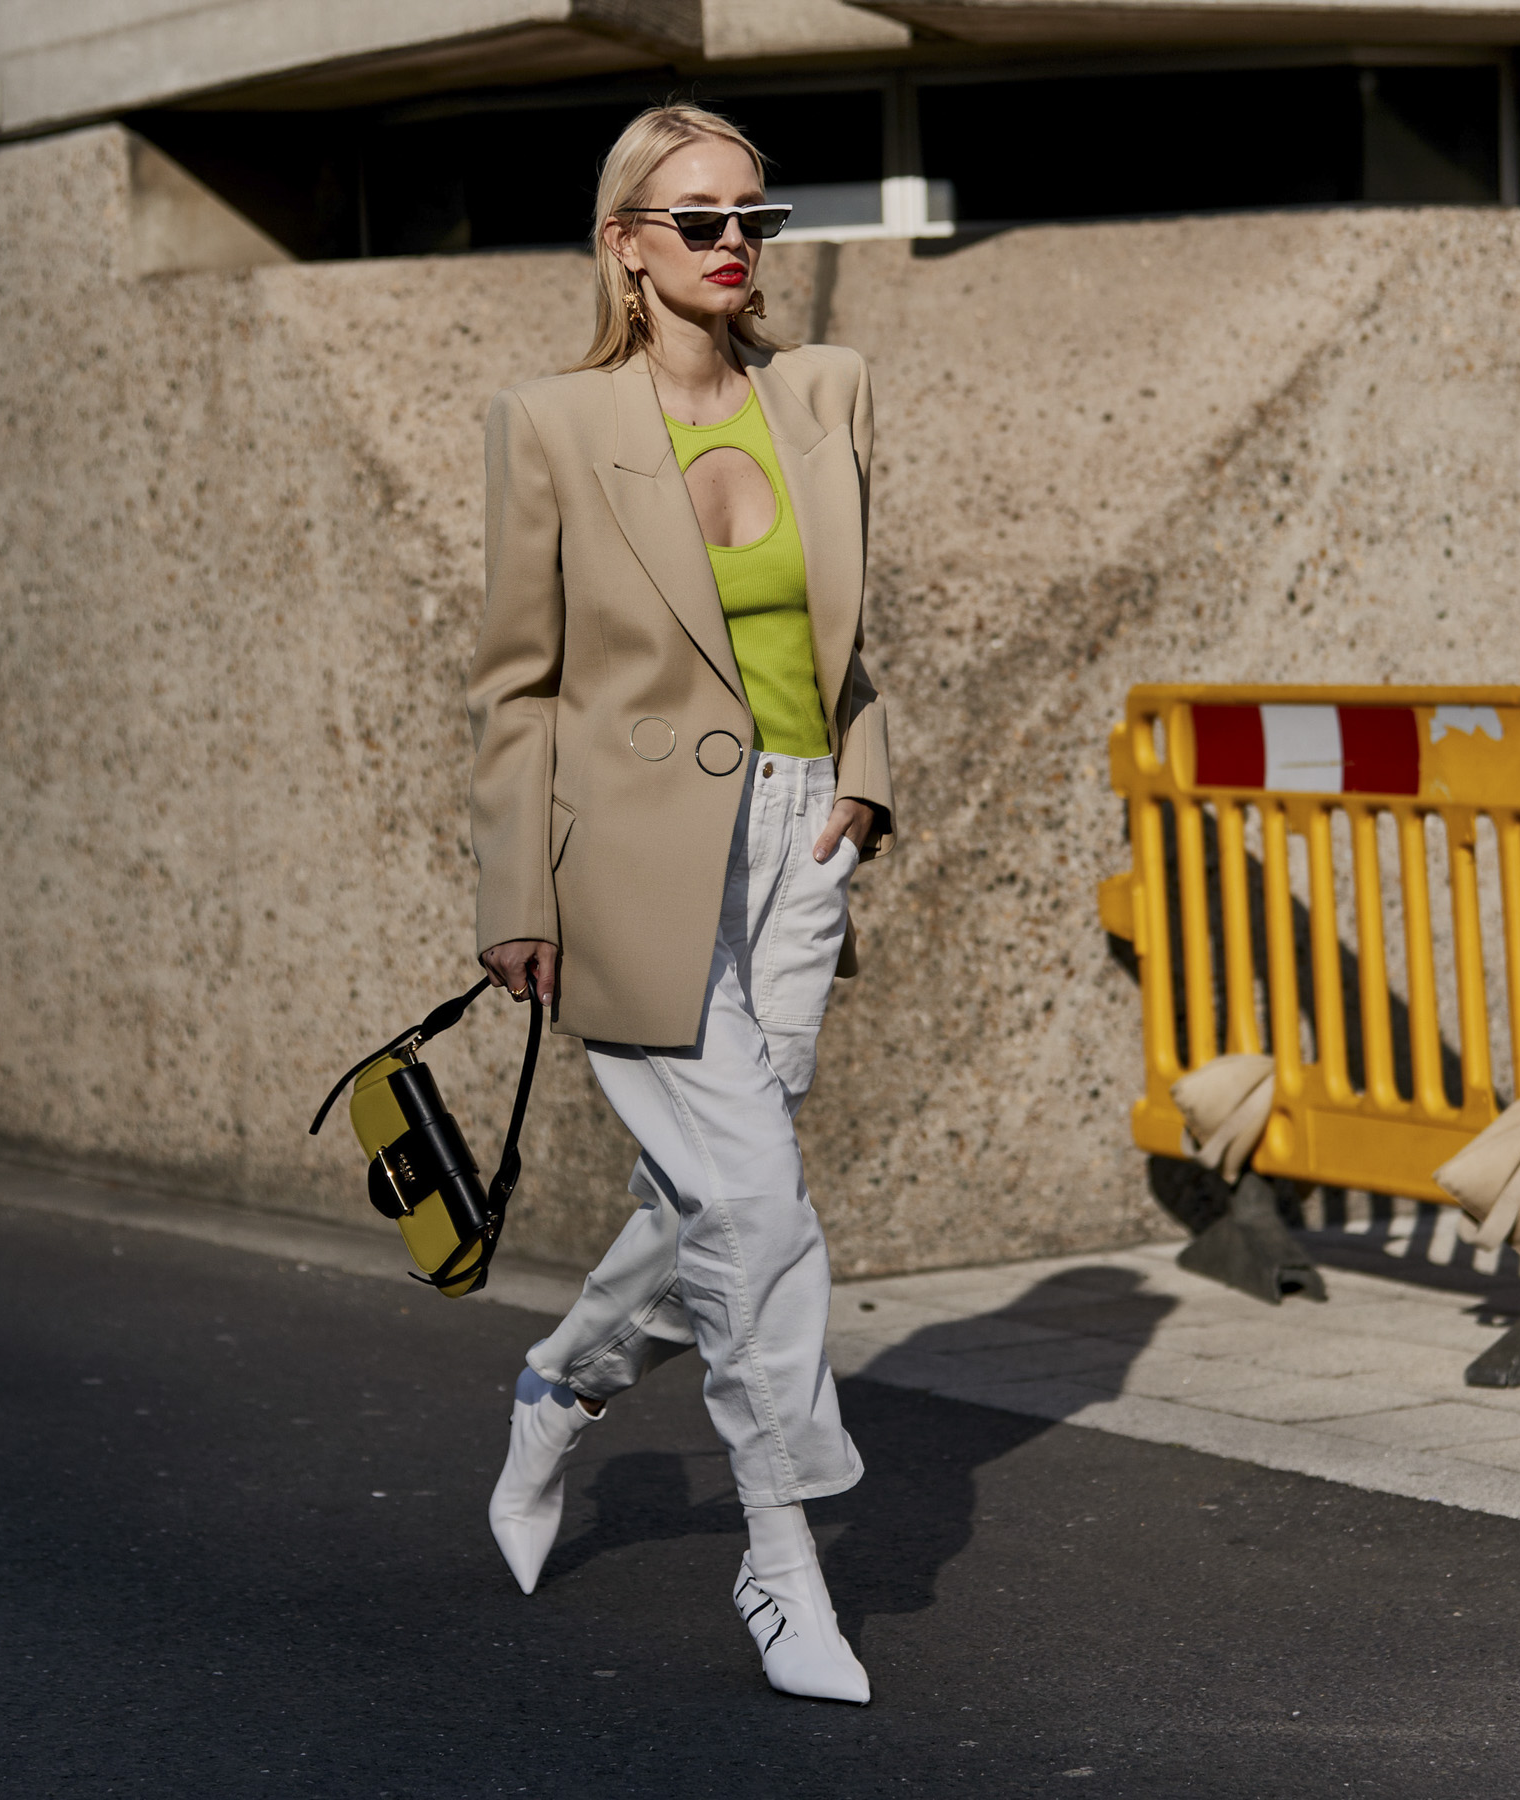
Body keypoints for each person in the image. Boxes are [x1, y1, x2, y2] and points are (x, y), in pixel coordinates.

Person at [465, 103, 895, 1706]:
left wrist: (862, 777)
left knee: (719, 1195)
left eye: (753, 220)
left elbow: (849, 639)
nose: (733, 244)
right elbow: (516, 680)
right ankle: (781, 1560)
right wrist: (515, 889)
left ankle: (560, 1387)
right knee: (760, 1207)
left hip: (800, 846)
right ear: (625, 244)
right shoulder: (552, 422)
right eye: (697, 219)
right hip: (632, 866)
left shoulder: (824, 390)